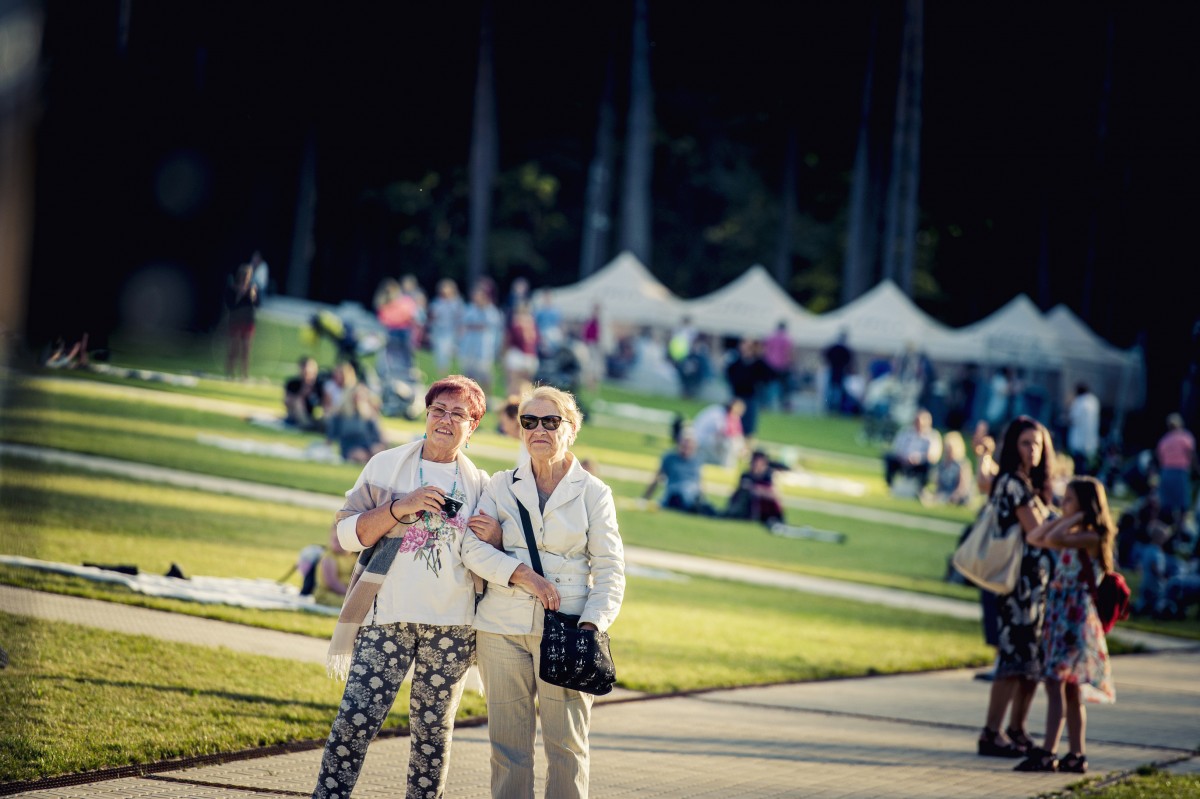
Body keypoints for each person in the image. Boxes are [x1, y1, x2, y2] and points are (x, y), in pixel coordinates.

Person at [312, 375, 497, 799]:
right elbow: (343, 536)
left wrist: (495, 537)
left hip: (452, 626)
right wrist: (400, 506)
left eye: (458, 414)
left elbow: (492, 555)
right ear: (426, 415)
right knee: (354, 722)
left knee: (432, 738)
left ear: (474, 427)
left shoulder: (483, 486)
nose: (445, 420)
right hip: (386, 618)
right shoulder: (385, 465)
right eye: (438, 410)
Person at [460, 385, 625, 799]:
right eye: (528, 421)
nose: (539, 430)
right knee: (507, 748)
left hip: (568, 632)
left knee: (566, 747)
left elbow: (609, 570)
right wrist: (521, 573)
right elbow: (471, 547)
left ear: (571, 429)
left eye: (551, 422)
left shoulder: (594, 493)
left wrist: (591, 626)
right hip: (500, 627)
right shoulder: (500, 485)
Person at [1016, 476, 1117, 774]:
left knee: (1057, 684)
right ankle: (1076, 754)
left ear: (1085, 506)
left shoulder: (1092, 536)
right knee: (1068, 689)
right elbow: (1035, 537)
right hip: (1060, 614)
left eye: (1070, 500)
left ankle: (1050, 751)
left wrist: (1073, 518)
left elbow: (1052, 540)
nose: (1063, 504)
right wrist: (1067, 516)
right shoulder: (1077, 530)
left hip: (1074, 618)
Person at [976, 416, 1056, 760]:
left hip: (1036, 589)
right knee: (1012, 661)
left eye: (1037, 444)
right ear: (1014, 446)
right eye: (1025, 443)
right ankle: (991, 733)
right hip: (1017, 588)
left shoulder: (1029, 484)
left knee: (1032, 665)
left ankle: (1017, 729)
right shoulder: (1013, 484)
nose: (1033, 450)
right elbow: (1039, 532)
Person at [643, 432, 716, 515]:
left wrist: (704, 499)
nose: (686, 449)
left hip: (692, 493)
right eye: (684, 445)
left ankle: (698, 507)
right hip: (675, 492)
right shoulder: (669, 458)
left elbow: (700, 483)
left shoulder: (697, 460)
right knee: (681, 494)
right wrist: (645, 498)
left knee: (693, 495)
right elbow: (657, 479)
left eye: (689, 447)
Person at [725, 338, 774, 443]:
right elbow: (729, 373)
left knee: (749, 426)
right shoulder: (736, 361)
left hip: (750, 396)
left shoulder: (757, 363)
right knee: (734, 423)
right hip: (738, 396)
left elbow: (768, 376)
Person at [883, 408, 943, 492]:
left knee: (928, 465)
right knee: (889, 457)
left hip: (920, 463)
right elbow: (896, 447)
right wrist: (903, 457)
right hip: (903, 460)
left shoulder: (932, 436)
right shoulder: (906, 432)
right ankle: (890, 485)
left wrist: (918, 458)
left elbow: (933, 455)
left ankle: (922, 489)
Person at [460, 283, 504, 395]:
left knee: (485, 376)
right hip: (469, 348)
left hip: (484, 349)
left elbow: (492, 328)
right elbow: (464, 325)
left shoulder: (491, 311)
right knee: (469, 376)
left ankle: (487, 397)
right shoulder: (470, 309)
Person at [329, 381, 388, 464]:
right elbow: (332, 435)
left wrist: (379, 445)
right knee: (360, 456)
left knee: (377, 453)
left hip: (368, 446)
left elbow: (379, 435)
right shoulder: (341, 414)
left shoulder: (368, 415)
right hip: (350, 447)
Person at [724, 449, 784, 526]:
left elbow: (775, 495)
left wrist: (756, 489)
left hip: (766, 510)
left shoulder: (768, 476)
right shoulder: (746, 475)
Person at [1156, 413, 1198, 520]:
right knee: (1183, 503)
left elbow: (1160, 457)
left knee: (1166, 503)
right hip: (1180, 471)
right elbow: (1191, 454)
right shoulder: (1185, 438)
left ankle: (1166, 526)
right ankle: (1180, 529)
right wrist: (1196, 468)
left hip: (1166, 471)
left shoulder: (1164, 440)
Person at [375, 277, 418, 375]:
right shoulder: (383, 301)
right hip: (391, 330)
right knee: (388, 353)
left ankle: (409, 371)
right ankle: (386, 372)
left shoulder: (405, 300)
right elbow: (383, 318)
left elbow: (410, 314)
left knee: (406, 353)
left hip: (404, 330)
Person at [224, 262, 259, 379]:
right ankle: (230, 372)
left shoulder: (252, 288)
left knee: (246, 349)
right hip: (236, 320)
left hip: (248, 321)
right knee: (234, 348)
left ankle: (244, 374)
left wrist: (253, 296)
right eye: (245, 275)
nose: (246, 278)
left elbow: (257, 305)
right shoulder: (233, 288)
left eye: (249, 275)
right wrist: (239, 294)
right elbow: (230, 305)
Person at [923, 429, 973, 506]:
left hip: (958, 496)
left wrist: (951, 497)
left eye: (950, 449)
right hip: (944, 494)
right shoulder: (942, 464)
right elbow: (939, 485)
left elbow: (962, 488)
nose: (948, 452)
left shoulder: (962, 464)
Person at [691, 399, 746, 468]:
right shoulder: (718, 414)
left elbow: (736, 433)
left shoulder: (724, 414)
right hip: (700, 441)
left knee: (732, 443)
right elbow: (722, 433)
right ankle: (727, 468)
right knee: (728, 444)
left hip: (707, 441)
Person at [428, 278, 465, 374]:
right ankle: (442, 375)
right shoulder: (437, 302)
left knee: (453, 356)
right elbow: (432, 317)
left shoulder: (457, 302)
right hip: (440, 332)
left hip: (452, 333)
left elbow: (460, 318)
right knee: (441, 356)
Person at [504, 301, 540, 396]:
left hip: (524, 355)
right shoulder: (521, 324)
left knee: (521, 383)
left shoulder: (526, 324)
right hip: (521, 355)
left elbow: (533, 340)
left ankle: (519, 401)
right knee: (518, 382)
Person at [1066, 383, 1101, 476]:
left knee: (1078, 465)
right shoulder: (1093, 401)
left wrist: (1069, 404)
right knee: (1088, 463)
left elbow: (1072, 419)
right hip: (1090, 438)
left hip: (1078, 439)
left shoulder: (1079, 402)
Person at [284, 356, 325, 431]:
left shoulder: (318, 385)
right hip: (295, 415)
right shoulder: (293, 383)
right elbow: (287, 402)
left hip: (311, 415)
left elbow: (322, 403)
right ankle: (306, 425)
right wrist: (302, 394)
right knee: (298, 401)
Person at [822, 331, 854, 413]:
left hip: (833, 369)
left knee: (831, 389)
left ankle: (829, 406)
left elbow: (825, 354)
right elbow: (849, 360)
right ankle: (836, 407)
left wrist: (829, 362)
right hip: (840, 371)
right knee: (838, 390)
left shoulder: (833, 347)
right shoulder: (846, 349)